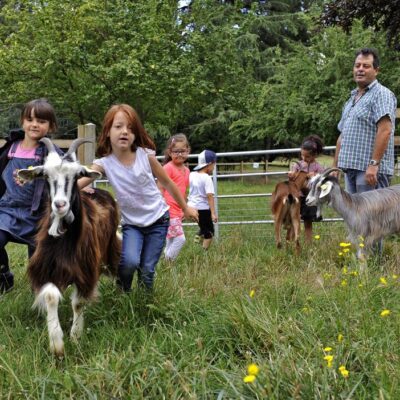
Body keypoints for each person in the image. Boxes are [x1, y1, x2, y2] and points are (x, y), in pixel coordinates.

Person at [78, 104, 198, 292]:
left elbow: (167, 183)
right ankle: (123, 292)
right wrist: (71, 189)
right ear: (108, 131)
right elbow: (78, 181)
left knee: (147, 269)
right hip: (133, 224)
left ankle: (144, 302)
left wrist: (185, 208)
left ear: (136, 133)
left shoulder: (145, 156)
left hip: (158, 220)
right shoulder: (104, 164)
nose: (125, 131)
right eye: (118, 126)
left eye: (130, 128)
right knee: (129, 262)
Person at [0, 98, 60, 294]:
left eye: (41, 121)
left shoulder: (51, 153)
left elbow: (66, 171)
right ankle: (4, 276)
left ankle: (40, 293)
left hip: (38, 216)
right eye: (30, 119)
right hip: (7, 209)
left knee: (38, 262)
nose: (34, 124)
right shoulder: (10, 149)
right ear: (22, 122)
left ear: (50, 127)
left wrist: (81, 187)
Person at [333, 47, 397, 193]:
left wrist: (374, 165)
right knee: (355, 216)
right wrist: (335, 167)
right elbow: (342, 136)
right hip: (350, 169)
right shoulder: (351, 99)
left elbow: (385, 130)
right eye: (357, 65)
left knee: (371, 216)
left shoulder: (382, 94)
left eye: (366, 66)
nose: (360, 69)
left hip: (369, 172)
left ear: (376, 70)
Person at [160, 133, 191, 262]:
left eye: (182, 151)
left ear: (188, 151)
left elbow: (184, 191)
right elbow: (160, 188)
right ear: (170, 152)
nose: (179, 154)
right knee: (180, 238)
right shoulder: (167, 168)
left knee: (170, 239)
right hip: (169, 210)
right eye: (176, 151)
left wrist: (185, 208)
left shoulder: (187, 170)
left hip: (178, 211)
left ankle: (162, 262)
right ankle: (167, 260)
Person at [288, 135, 325, 242]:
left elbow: (321, 181)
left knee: (308, 222)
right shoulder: (298, 165)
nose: (304, 158)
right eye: (302, 155)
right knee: (294, 219)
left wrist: (315, 176)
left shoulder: (318, 167)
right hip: (298, 196)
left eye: (307, 156)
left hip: (310, 197)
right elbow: (293, 180)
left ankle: (308, 244)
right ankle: (291, 241)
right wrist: (291, 175)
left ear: (315, 155)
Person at [188, 150, 218, 250]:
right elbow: (209, 196)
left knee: (203, 227)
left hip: (192, 207)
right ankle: (202, 253)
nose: (214, 167)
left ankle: (197, 241)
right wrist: (213, 213)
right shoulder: (206, 178)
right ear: (209, 164)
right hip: (203, 208)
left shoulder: (192, 174)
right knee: (209, 233)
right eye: (214, 164)